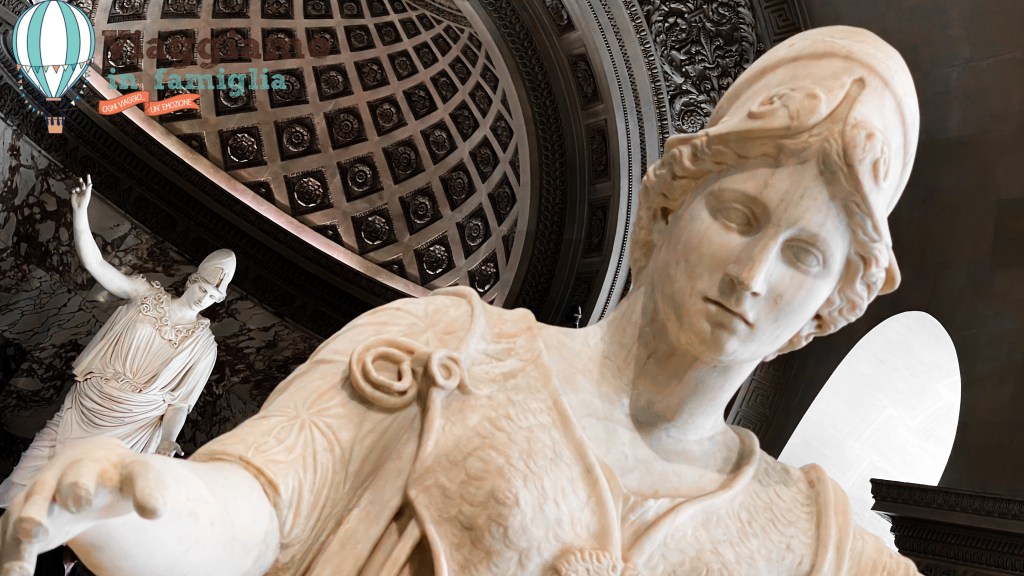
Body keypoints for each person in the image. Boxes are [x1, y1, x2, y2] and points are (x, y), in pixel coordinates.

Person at [0, 26, 922, 575]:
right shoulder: (439, 352)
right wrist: (149, 499)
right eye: (738, 215)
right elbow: (263, 510)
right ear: (666, 211)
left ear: (826, 308)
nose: (754, 273)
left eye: (805, 256)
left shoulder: (817, 547)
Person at [0, 176, 233, 508]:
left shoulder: (203, 345)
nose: (204, 298)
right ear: (191, 281)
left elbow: (180, 403)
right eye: (203, 288)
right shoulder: (146, 295)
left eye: (212, 296)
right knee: (22, 483)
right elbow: (95, 264)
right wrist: (80, 213)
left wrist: (168, 440)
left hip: (132, 426)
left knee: (76, 511)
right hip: (88, 404)